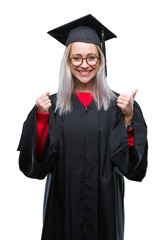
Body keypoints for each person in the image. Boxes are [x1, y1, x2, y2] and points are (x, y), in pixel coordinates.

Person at [17, 14, 148, 240]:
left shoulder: (119, 107)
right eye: (76, 58)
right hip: (62, 208)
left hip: (106, 211)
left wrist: (129, 119)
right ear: (67, 62)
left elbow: (134, 169)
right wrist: (42, 118)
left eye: (91, 58)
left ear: (101, 60)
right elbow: (36, 168)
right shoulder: (52, 107)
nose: (84, 64)